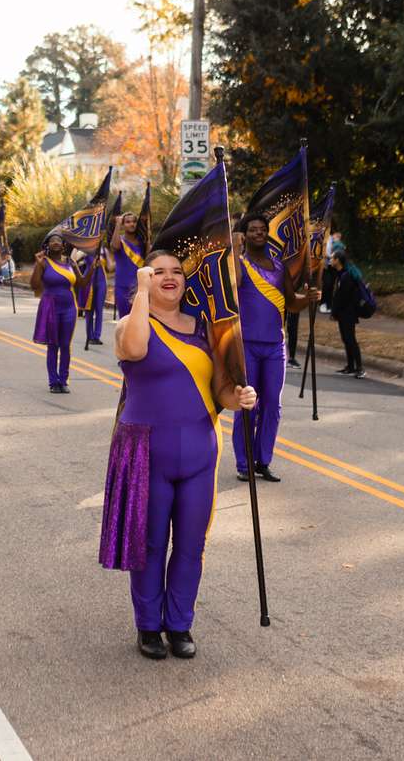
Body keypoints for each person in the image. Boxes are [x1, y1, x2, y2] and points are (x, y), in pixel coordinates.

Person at [104, 253, 258, 660]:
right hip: (145, 452)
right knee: (151, 545)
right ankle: (148, 625)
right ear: (146, 279)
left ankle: (180, 623)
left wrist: (240, 397)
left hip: (199, 454)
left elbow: (221, 390)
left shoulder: (207, 331)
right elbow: (135, 349)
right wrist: (139, 291)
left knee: (192, 545)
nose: (169, 278)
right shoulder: (129, 324)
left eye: (177, 272)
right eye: (158, 273)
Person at [233, 213, 318, 482]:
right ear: (245, 235)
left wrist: (310, 298)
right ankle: (244, 463)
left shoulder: (279, 268)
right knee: (248, 404)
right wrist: (235, 249)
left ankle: (263, 460)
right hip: (247, 345)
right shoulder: (240, 265)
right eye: (253, 229)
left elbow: (291, 304)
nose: (258, 233)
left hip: (274, 347)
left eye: (262, 229)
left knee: (273, 405)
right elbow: (231, 283)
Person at [31, 233, 82, 393]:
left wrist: (93, 269)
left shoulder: (70, 262)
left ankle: (63, 380)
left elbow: (81, 283)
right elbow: (34, 285)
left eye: (58, 241)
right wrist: (38, 265)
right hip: (50, 306)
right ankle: (53, 382)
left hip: (69, 307)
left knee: (65, 345)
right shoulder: (44, 262)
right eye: (52, 241)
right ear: (47, 245)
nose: (55, 243)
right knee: (53, 345)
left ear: (63, 245)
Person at [328, 249, 365, 378]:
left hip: (348, 313)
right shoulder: (341, 274)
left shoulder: (346, 276)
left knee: (351, 339)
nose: (330, 260)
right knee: (346, 339)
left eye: (332, 258)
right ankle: (350, 366)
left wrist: (334, 311)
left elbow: (342, 297)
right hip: (344, 313)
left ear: (338, 260)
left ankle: (359, 367)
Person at [109, 212, 143, 318]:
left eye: (134, 221)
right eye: (128, 222)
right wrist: (118, 224)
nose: (132, 224)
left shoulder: (143, 242)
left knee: (140, 321)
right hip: (122, 287)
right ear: (123, 225)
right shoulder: (119, 241)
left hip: (140, 287)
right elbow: (114, 246)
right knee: (124, 321)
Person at [78, 247, 108, 346]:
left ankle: (97, 336)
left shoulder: (104, 250)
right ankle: (89, 336)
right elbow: (74, 259)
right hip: (89, 280)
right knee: (89, 310)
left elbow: (110, 267)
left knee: (99, 309)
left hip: (101, 281)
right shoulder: (85, 248)